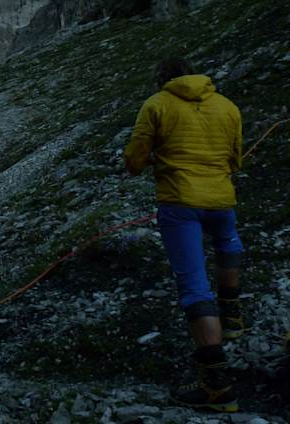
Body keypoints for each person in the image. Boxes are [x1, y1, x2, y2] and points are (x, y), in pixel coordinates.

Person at [124, 57, 245, 413]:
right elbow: (235, 159)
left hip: (180, 204)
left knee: (194, 285)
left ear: (162, 79)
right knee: (227, 244)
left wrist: (154, 159)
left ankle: (216, 386)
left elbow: (134, 160)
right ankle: (233, 317)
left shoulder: (157, 104)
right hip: (221, 199)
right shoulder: (227, 105)